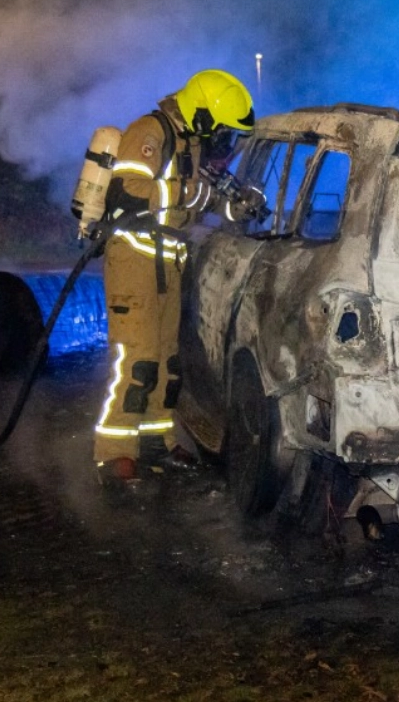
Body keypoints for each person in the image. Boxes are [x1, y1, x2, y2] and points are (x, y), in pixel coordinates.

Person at [93, 69, 255, 487]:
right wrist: (194, 195)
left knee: (167, 361)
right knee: (137, 359)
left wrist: (236, 204)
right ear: (200, 113)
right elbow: (128, 193)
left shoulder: (189, 144)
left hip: (168, 261)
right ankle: (115, 452)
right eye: (220, 127)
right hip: (134, 259)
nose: (221, 138)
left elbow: (195, 204)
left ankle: (156, 442)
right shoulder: (149, 133)